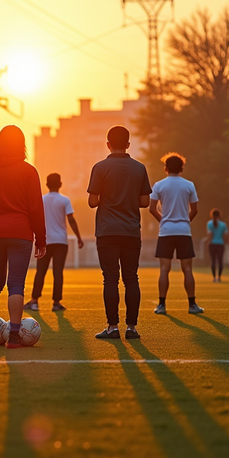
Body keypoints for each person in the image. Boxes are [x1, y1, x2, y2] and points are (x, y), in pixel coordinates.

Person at [0, 125, 47, 348]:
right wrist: (41, 239)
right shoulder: (28, 171)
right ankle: (14, 335)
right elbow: (36, 208)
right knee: (16, 284)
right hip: (20, 233)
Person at [88, 126, 152, 340]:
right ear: (128, 144)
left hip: (107, 230)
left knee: (110, 279)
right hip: (131, 230)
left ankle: (112, 327)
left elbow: (92, 201)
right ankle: (132, 328)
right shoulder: (139, 168)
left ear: (108, 144)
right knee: (131, 278)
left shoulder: (100, 167)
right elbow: (144, 202)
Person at [149, 153, 202, 315]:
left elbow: (152, 209)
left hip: (166, 232)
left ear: (165, 169)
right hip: (183, 231)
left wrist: (164, 221)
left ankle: (161, 305)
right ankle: (192, 305)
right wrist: (185, 222)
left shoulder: (159, 185)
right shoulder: (189, 185)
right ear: (182, 168)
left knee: (164, 269)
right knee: (187, 269)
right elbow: (195, 210)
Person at [25, 173, 84, 312]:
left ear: (46, 185)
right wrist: (79, 237)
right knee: (58, 272)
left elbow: (33, 218)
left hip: (45, 240)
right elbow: (71, 219)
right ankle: (56, 303)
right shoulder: (65, 200)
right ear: (60, 184)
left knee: (40, 271)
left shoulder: (42, 200)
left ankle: (34, 302)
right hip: (61, 241)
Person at [206, 209, 228, 282]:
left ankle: (214, 277)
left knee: (213, 261)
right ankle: (219, 277)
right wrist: (223, 242)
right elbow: (225, 235)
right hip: (220, 244)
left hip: (212, 244)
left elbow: (209, 234)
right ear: (219, 215)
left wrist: (208, 242)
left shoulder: (209, 223)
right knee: (220, 261)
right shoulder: (223, 224)